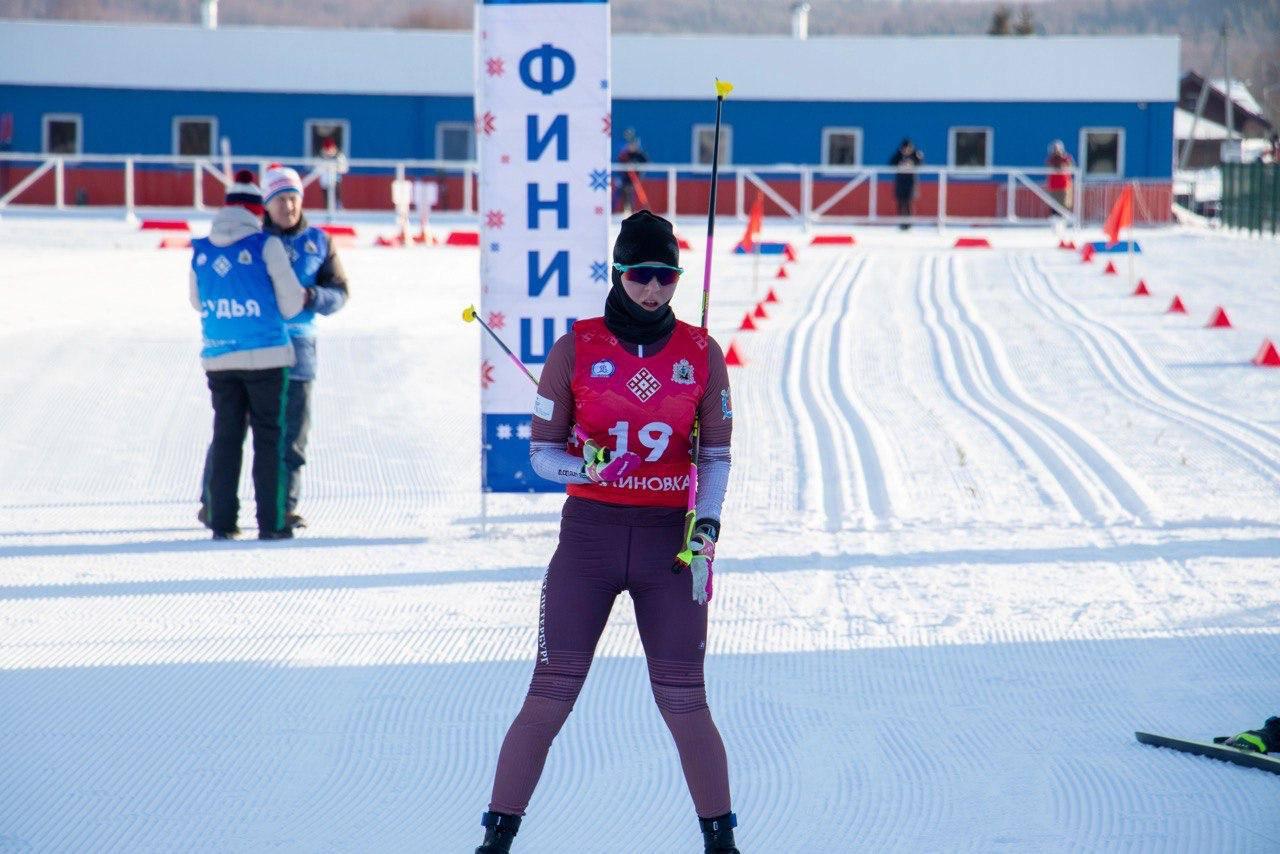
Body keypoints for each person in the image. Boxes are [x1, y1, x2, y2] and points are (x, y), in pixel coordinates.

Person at [475, 211, 740, 854]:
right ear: (619, 274)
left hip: (666, 548)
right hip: (589, 541)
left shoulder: (701, 354)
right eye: (641, 275)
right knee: (550, 695)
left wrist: (705, 531)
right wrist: (585, 463)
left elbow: (715, 456)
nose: (653, 289)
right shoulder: (575, 348)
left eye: (665, 277)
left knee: (684, 702)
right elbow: (541, 454)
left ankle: (722, 843)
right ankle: (495, 839)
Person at [190, 170, 308, 540]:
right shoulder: (266, 246)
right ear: (257, 210)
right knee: (269, 439)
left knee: (226, 437)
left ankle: (222, 522)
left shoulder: (201, 249)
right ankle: (271, 523)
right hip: (267, 357)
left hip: (220, 357)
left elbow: (197, 301)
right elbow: (291, 305)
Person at [889, 138, 923, 229]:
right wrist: (899, 158)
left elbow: (920, 163)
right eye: (904, 148)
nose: (906, 150)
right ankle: (901, 223)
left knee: (909, 203)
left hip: (911, 183)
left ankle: (909, 223)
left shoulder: (915, 155)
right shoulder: (898, 156)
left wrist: (918, 157)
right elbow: (891, 163)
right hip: (900, 182)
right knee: (900, 202)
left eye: (908, 148)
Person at [613, 128, 650, 214]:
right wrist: (619, 177)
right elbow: (620, 164)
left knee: (631, 192)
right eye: (630, 145)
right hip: (625, 178)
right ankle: (625, 211)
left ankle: (635, 211)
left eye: (633, 144)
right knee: (623, 192)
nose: (631, 146)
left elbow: (646, 162)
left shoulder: (640, 154)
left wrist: (637, 168)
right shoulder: (624, 154)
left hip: (636, 178)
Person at [317, 138, 348, 210]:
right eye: (326, 149)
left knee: (336, 196)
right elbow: (317, 169)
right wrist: (324, 168)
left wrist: (336, 168)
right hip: (325, 181)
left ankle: (338, 209)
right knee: (327, 198)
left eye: (329, 149)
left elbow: (344, 168)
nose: (328, 151)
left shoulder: (339, 156)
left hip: (335, 180)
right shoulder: (320, 156)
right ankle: (328, 212)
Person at [1045, 140, 1075, 213]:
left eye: (1057, 148)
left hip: (1065, 185)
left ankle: (1065, 220)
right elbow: (1048, 167)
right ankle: (1054, 218)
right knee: (1054, 204)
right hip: (1053, 186)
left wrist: (1063, 159)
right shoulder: (1050, 159)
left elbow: (1071, 167)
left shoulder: (1066, 158)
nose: (1056, 150)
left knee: (1065, 204)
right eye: (1054, 149)